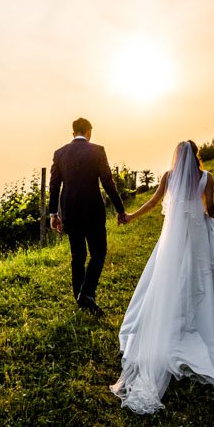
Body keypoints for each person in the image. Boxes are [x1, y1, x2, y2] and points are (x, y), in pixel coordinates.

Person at [110, 140, 214, 414]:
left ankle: (172, 324)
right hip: (198, 237)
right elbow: (211, 209)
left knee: (169, 281)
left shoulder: (168, 177)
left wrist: (130, 216)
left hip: (173, 241)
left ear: (177, 158)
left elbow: (154, 202)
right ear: (197, 157)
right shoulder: (207, 177)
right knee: (199, 282)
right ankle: (199, 326)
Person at [49, 117, 127, 317]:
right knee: (98, 252)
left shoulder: (59, 154)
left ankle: (80, 297)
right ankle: (87, 293)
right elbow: (108, 182)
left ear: (73, 133)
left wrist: (53, 213)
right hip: (93, 209)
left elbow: (54, 185)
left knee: (78, 255)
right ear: (89, 132)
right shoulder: (97, 151)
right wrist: (120, 210)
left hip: (70, 210)